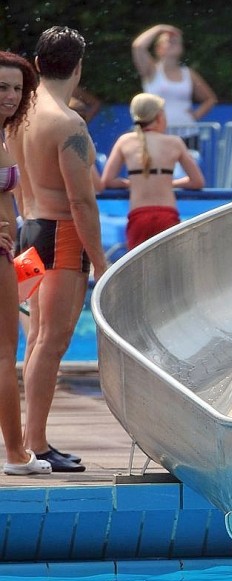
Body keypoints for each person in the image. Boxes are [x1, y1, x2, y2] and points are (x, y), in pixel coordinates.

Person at [7, 26, 108, 473]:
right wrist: (102, 262)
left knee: (36, 340)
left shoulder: (21, 115)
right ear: (79, 65)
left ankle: (31, 441)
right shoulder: (69, 124)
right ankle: (39, 444)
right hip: (63, 237)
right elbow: (82, 201)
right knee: (52, 341)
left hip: (31, 231)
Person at [0, 51, 52, 476]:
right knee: (4, 355)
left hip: (7, 252)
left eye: (18, 88)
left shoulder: (4, 135)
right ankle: (16, 455)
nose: (11, 96)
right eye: (2, 87)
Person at [101, 93, 204, 250]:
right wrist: (168, 182)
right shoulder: (174, 142)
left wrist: (131, 183)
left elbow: (107, 181)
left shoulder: (125, 141)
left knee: (139, 272)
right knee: (170, 270)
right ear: (160, 116)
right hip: (167, 215)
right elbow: (197, 182)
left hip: (139, 217)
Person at [132, 24, 217, 151]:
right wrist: (159, 29)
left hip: (188, 134)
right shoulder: (152, 71)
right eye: (168, 41)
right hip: (158, 133)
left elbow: (210, 99)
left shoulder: (188, 74)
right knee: (160, 169)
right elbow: (138, 46)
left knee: (186, 170)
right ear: (159, 48)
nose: (173, 43)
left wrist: (194, 116)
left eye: (176, 41)